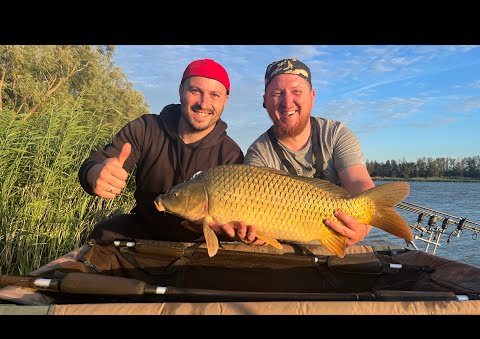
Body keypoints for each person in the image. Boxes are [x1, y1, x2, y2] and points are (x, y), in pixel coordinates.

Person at [212, 58, 375, 248]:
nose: (287, 102)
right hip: (286, 251)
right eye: (277, 93)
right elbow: (258, 226)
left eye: (296, 91)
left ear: (312, 96)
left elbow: (357, 181)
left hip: (334, 240)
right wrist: (256, 238)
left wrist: (362, 228)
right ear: (265, 100)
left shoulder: (335, 134)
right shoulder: (259, 153)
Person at [78, 58, 244, 243]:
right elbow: (95, 163)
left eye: (214, 95)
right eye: (195, 91)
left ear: (225, 100)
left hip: (198, 242)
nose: (203, 104)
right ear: (181, 91)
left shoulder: (231, 154)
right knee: (105, 232)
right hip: (144, 230)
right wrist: (95, 175)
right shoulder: (146, 128)